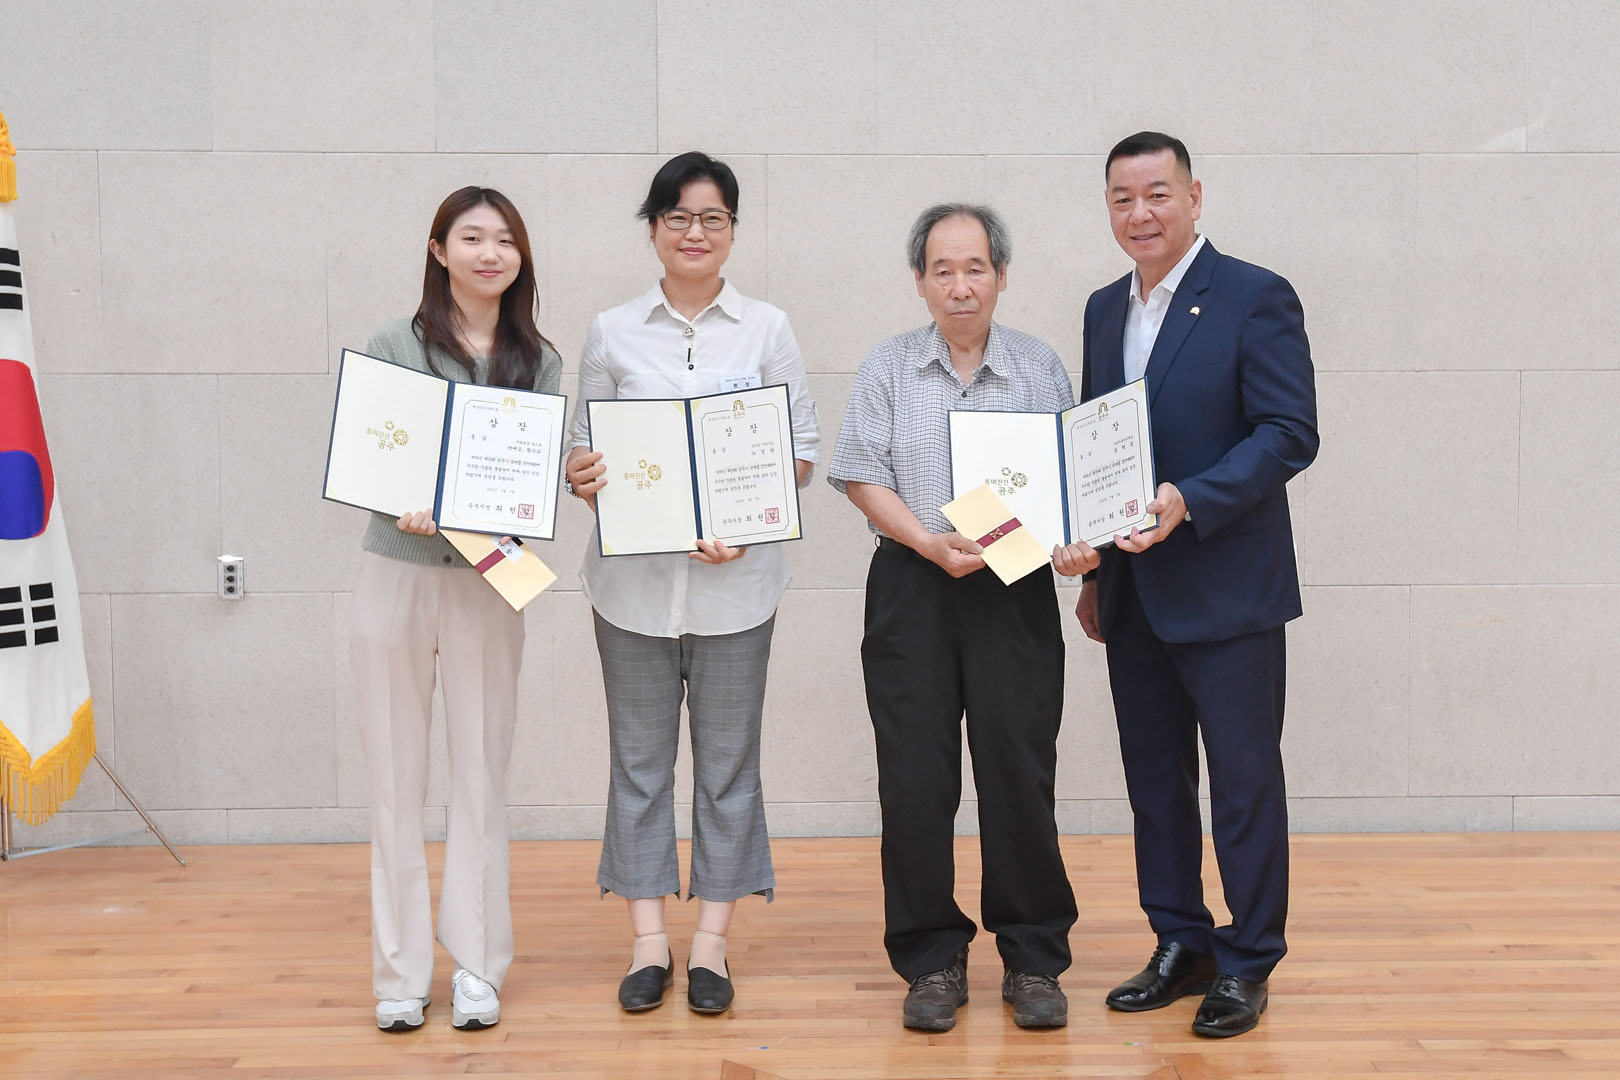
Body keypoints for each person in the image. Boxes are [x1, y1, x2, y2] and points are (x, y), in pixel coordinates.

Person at [828, 203, 1098, 1032]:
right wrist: (925, 539)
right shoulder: (888, 366)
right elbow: (859, 473)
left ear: (1001, 275)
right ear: (920, 280)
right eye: (942, 270)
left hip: (1014, 590)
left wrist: (1075, 546)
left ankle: (1033, 957)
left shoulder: (1039, 367)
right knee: (915, 780)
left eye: (975, 267)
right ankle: (930, 959)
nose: (959, 285)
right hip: (912, 585)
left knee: (1020, 772)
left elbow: (1069, 485)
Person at [562, 151, 820, 1015]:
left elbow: (801, 453)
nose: (694, 232)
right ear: (653, 230)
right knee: (638, 766)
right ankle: (647, 944)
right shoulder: (611, 330)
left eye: (712, 217)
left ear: (733, 230)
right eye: (677, 217)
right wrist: (582, 474)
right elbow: (581, 450)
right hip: (629, 593)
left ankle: (711, 944)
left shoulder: (768, 328)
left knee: (728, 769)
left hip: (737, 593)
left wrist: (749, 522)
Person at [1078, 132, 1319, 1038]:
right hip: (1133, 591)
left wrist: (1192, 498)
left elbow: (1288, 431)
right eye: (1122, 198)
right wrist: (1097, 572)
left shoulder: (1255, 295)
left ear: (1194, 196)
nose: (1140, 213)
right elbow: (1099, 448)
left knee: (1244, 782)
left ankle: (1248, 958)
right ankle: (1179, 939)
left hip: (1229, 587)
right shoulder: (1103, 309)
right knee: (1156, 782)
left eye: (1157, 194)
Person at [351, 186, 562, 1032]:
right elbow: (373, 453)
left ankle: (479, 966)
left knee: (481, 774)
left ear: (520, 257)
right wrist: (400, 496)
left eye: (505, 239)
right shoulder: (392, 343)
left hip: (489, 579)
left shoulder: (537, 358)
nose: (489, 253)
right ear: (439, 250)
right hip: (396, 571)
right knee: (393, 778)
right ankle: (399, 974)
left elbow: (534, 478)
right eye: (471, 237)